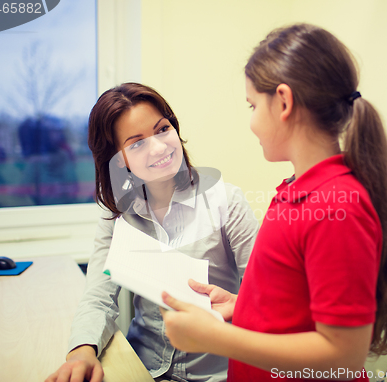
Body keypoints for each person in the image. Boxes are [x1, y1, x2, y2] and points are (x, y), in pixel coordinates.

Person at [160, 23, 387, 382]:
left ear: (283, 101)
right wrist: (241, 306)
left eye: (252, 105)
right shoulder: (297, 190)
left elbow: (343, 356)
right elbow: (294, 304)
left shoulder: (336, 207)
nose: (250, 122)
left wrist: (219, 339)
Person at [45, 83, 258, 382]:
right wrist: (82, 351)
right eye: (136, 144)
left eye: (162, 129)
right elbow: (99, 296)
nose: (159, 147)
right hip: (141, 369)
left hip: (216, 375)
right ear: (119, 161)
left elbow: (266, 299)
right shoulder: (117, 214)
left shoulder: (227, 202)